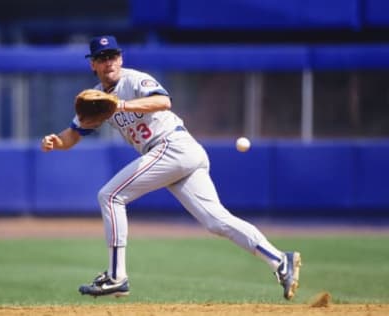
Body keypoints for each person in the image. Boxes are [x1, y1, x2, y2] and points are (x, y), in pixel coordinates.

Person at [40, 35, 302, 300]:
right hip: (175, 156)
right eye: (101, 58)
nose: (108, 62)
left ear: (120, 58)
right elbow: (73, 134)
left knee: (110, 195)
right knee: (216, 222)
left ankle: (117, 276)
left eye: (112, 56)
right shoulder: (97, 98)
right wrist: (56, 141)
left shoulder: (134, 80)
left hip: (172, 146)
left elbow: (164, 101)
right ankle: (281, 261)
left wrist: (120, 104)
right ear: (93, 65)